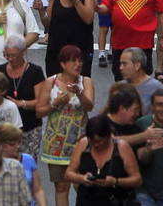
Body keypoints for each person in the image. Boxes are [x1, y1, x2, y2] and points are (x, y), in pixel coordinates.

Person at [35, 44, 95, 205]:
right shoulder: (51, 82)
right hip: (56, 144)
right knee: (61, 187)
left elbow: (89, 106)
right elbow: (39, 111)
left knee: (81, 185)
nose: (78, 64)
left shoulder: (86, 82)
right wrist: (56, 103)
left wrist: (79, 93)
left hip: (81, 142)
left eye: (80, 61)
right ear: (63, 64)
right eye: (73, 61)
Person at [96, 0, 163, 82]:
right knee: (120, 77)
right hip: (119, 42)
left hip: (143, 42)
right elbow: (106, 7)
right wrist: (97, 7)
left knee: (142, 79)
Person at [64, 114, 142, 206]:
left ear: (108, 136)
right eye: (91, 141)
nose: (95, 145)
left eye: (99, 141)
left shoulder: (121, 147)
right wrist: (82, 178)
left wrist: (116, 181)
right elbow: (68, 174)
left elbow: (137, 179)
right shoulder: (84, 144)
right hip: (87, 200)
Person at [119, 48, 163, 115]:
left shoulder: (156, 88)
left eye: (124, 64)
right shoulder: (120, 87)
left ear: (137, 66)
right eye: (120, 64)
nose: (120, 68)